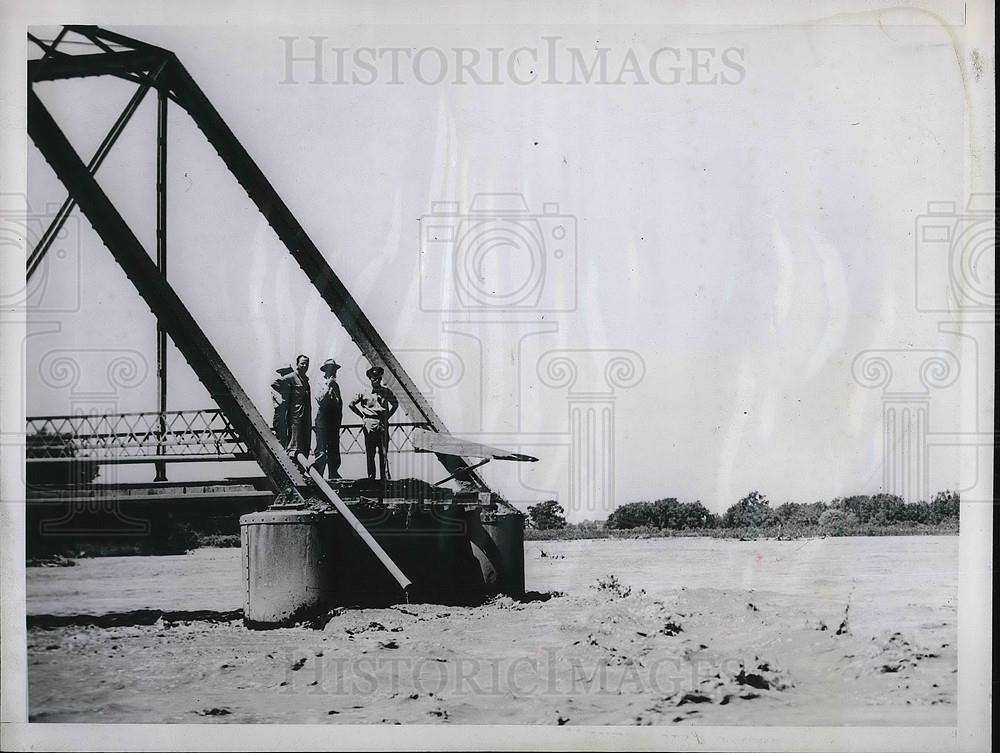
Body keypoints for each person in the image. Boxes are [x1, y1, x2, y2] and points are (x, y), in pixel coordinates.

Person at [349, 365, 399, 480]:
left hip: (382, 423)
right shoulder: (364, 392)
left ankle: (384, 478)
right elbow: (351, 404)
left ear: (380, 378)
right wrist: (362, 415)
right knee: (370, 452)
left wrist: (388, 416)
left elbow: (395, 404)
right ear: (369, 378)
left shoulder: (386, 392)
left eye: (376, 378)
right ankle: (371, 477)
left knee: (383, 452)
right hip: (369, 423)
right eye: (372, 378)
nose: (374, 380)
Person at [271, 354, 311, 458]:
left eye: (307, 364)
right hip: (295, 412)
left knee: (305, 438)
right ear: (297, 364)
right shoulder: (291, 376)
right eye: (302, 363)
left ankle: (302, 456)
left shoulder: (306, 379)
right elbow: (275, 383)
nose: (305, 366)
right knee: (295, 439)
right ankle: (293, 453)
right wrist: (288, 395)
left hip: (306, 412)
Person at [313, 358, 343, 480]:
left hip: (334, 421)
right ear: (325, 371)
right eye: (331, 370)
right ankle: (319, 475)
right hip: (323, 420)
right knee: (321, 448)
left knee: (334, 449)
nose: (333, 372)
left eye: (334, 370)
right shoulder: (320, 383)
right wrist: (328, 387)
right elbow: (319, 399)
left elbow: (340, 403)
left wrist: (339, 421)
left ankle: (333, 473)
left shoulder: (336, 385)